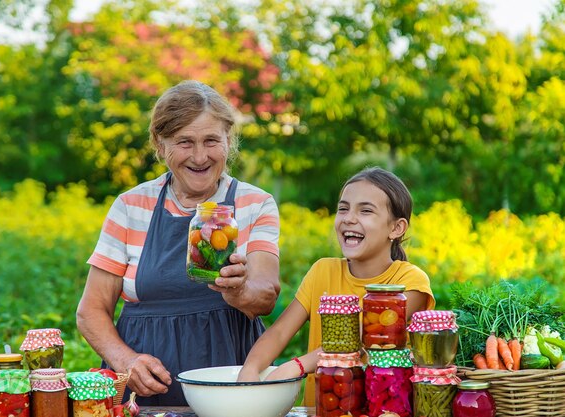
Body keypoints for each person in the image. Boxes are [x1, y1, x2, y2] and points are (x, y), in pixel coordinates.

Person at [76, 80, 281, 406]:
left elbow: (266, 295)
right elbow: (91, 310)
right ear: (160, 144)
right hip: (143, 396)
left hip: (229, 392)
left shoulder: (254, 203)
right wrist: (126, 360)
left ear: (228, 140)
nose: (200, 156)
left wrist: (240, 291)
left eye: (211, 141)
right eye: (185, 142)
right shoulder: (131, 206)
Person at [237, 166, 435, 407]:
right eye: (343, 208)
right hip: (323, 409)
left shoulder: (409, 282)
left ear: (396, 228)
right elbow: (279, 333)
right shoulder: (323, 271)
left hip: (382, 411)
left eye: (366, 211)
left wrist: (296, 365)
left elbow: (362, 340)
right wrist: (251, 370)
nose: (349, 218)